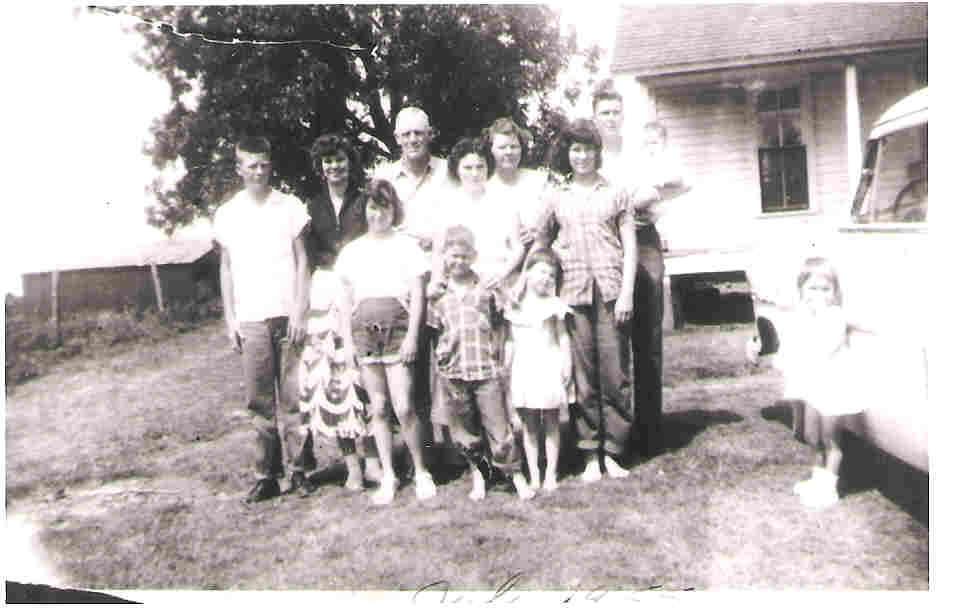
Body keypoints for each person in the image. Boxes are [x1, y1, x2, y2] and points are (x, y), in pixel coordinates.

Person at [532, 119, 638, 483]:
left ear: (597, 152)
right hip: (573, 293)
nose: (582, 156)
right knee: (584, 380)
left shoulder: (616, 192)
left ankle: (614, 452)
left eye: (588, 149)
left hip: (610, 292)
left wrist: (626, 293)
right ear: (568, 154)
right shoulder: (555, 195)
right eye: (576, 150)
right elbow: (540, 240)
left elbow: (630, 246)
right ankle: (590, 452)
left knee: (615, 375)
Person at [592, 79, 690, 460]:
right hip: (605, 246)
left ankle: (649, 430)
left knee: (647, 339)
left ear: (623, 115)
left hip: (643, 240)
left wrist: (653, 195)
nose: (611, 118)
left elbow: (682, 181)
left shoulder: (640, 151)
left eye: (616, 111)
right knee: (611, 340)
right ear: (594, 115)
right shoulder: (589, 154)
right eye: (604, 112)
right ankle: (616, 430)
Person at [213, 135, 310, 503]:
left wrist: (299, 310)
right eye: (251, 165)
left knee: (294, 398)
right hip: (251, 317)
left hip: (287, 314)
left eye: (264, 165)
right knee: (259, 402)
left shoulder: (289, 206)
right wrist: (230, 318)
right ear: (239, 169)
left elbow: (303, 261)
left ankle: (300, 471)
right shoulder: (228, 213)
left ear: (271, 166)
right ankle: (266, 475)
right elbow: (226, 269)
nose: (258, 171)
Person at [335, 180, 436, 505]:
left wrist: (412, 337)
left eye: (385, 207)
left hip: (398, 330)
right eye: (373, 207)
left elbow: (418, 296)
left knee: (404, 406)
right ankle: (389, 475)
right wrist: (347, 343)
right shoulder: (352, 251)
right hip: (364, 333)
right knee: (377, 407)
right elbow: (345, 302)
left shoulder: (407, 247)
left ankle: (421, 471)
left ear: (395, 210)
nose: (378, 214)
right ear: (364, 211)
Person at [427, 225, 535, 501]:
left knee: (499, 428)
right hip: (454, 371)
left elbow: (500, 324)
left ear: (473, 256)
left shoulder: (486, 288)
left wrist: (500, 355)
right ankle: (481, 476)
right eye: (453, 256)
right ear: (444, 257)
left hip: (485, 369)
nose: (459, 261)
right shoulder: (438, 295)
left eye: (464, 256)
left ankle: (516, 476)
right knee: (466, 432)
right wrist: (442, 359)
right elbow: (435, 331)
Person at [749, 257, 862, 508]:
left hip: (832, 386)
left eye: (826, 289)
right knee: (812, 436)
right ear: (801, 289)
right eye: (813, 288)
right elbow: (791, 343)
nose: (819, 295)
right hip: (811, 386)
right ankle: (817, 479)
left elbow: (826, 347)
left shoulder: (834, 316)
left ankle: (829, 488)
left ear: (834, 292)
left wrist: (818, 316)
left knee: (830, 439)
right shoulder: (801, 316)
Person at [297, 270, 374, 493]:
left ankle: (373, 462)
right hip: (323, 332)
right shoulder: (311, 273)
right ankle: (353, 468)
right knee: (338, 398)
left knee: (366, 397)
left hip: (356, 325)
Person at [504, 248, 572, 492]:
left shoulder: (554, 305)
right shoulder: (515, 306)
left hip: (548, 364)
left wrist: (567, 363)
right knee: (530, 424)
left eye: (551, 275)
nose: (546, 278)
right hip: (524, 367)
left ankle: (551, 473)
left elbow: (562, 337)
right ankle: (534, 474)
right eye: (542, 272)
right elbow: (510, 339)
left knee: (552, 420)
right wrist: (506, 365)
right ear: (528, 274)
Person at [375, 106, 449, 244]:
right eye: (406, 134)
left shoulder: (447, 172)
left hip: (440, 252)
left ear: (430, 135)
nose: (413, 140)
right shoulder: (384, 177)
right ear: (397, 138)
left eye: (418, 133)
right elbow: (377, 224)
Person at [483, 118, 549, 253]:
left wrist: (538, 231)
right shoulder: (483, 188)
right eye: (502, 147)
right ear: (491, 150)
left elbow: (551, 223)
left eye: (514, 146)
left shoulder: (539, 181)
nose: (509, 152)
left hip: (536, 257)